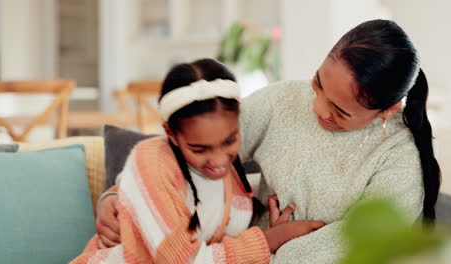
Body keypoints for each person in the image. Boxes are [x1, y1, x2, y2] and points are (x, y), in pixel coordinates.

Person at [96, 19, 441, 263]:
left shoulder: (399, 164)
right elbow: (189, 148)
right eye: (318, 84)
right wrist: (119, 193)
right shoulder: (282, 101)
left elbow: (344, 251)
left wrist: (269, 246)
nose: (318, 108)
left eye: (339, 111)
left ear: (387, 110)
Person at [71, 59, 325, 264]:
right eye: (199, 148)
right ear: (170, 134)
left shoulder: (232, 175)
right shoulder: (153, 162)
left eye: (229, 141)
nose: (217, 160)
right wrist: (268, 240)